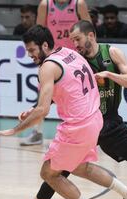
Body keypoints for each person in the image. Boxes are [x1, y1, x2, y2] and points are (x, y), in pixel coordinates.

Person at [0, 24, 127, 199]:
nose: (30, 55)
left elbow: (42, 110)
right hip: (94, 119)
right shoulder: (69, 53)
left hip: (78, 126)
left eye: (32, 50)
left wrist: (13, 130)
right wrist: (33, 110)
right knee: (81, 167)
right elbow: (71, 87)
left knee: (48, 173)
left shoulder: (47, 67)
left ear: (44, 45)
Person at [21, 0, 91, 146]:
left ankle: (88, 132)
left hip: (73, 58)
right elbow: (37, 33)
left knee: (81, 95)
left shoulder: (79, 4)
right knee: (43, 97)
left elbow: (89, 32)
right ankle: (37, 133)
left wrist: (89, 55)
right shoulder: (45, 5)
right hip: (52, 58)